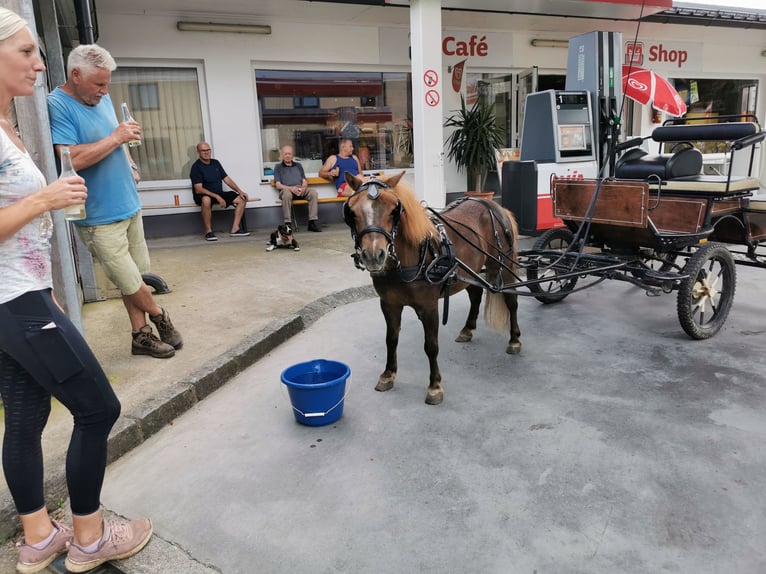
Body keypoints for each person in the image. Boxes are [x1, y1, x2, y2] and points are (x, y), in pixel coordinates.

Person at [0, 8, 153, 573]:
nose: (39, 64)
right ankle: (89, 538)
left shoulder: (9, 121)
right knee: (98, 408)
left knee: (24, 413)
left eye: (38, 53)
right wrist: (45, 198)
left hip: (21, 294)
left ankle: (39, 536)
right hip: (11, 300)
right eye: (25, 52)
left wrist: (47, 288)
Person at [47, 44, 183, 359]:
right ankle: (160, 315)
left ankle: (141, 337)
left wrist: (131, 163)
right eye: (99, 84)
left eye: (107, 84)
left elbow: (118, 138)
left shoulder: (102, 97)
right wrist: (116, 138)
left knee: (135, 279)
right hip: (98, 215)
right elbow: (72, 159)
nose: (104, 91)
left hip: (128, 202)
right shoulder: (58, 105)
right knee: (130, 278)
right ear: (76, 74)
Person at [190, 142, 254, 241]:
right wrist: (217, 197)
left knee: (242, 199)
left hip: (218, 193)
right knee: (206, 200)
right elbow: (198, 189)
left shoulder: (216, 163)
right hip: (204, 194)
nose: (206, 152)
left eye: (208, 150)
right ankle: (208, 231)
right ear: (198, 152)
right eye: (203, 150)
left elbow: (226, 179)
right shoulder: (196, 167)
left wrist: (240, 191)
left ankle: (235, 229)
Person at [272, 144, 321, 232]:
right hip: (287, 190)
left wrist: (303, 188)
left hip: (300, 190)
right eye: (285, 154)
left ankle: (312, 222)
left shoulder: (298, 165)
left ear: (292, 155)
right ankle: (288, 224)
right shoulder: (278, 167)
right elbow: (278, 185)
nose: (287, 156)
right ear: (282, 155)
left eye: (289, 154)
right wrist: (291, 189)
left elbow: (304, 180)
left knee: (313, 192)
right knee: (286, 194)